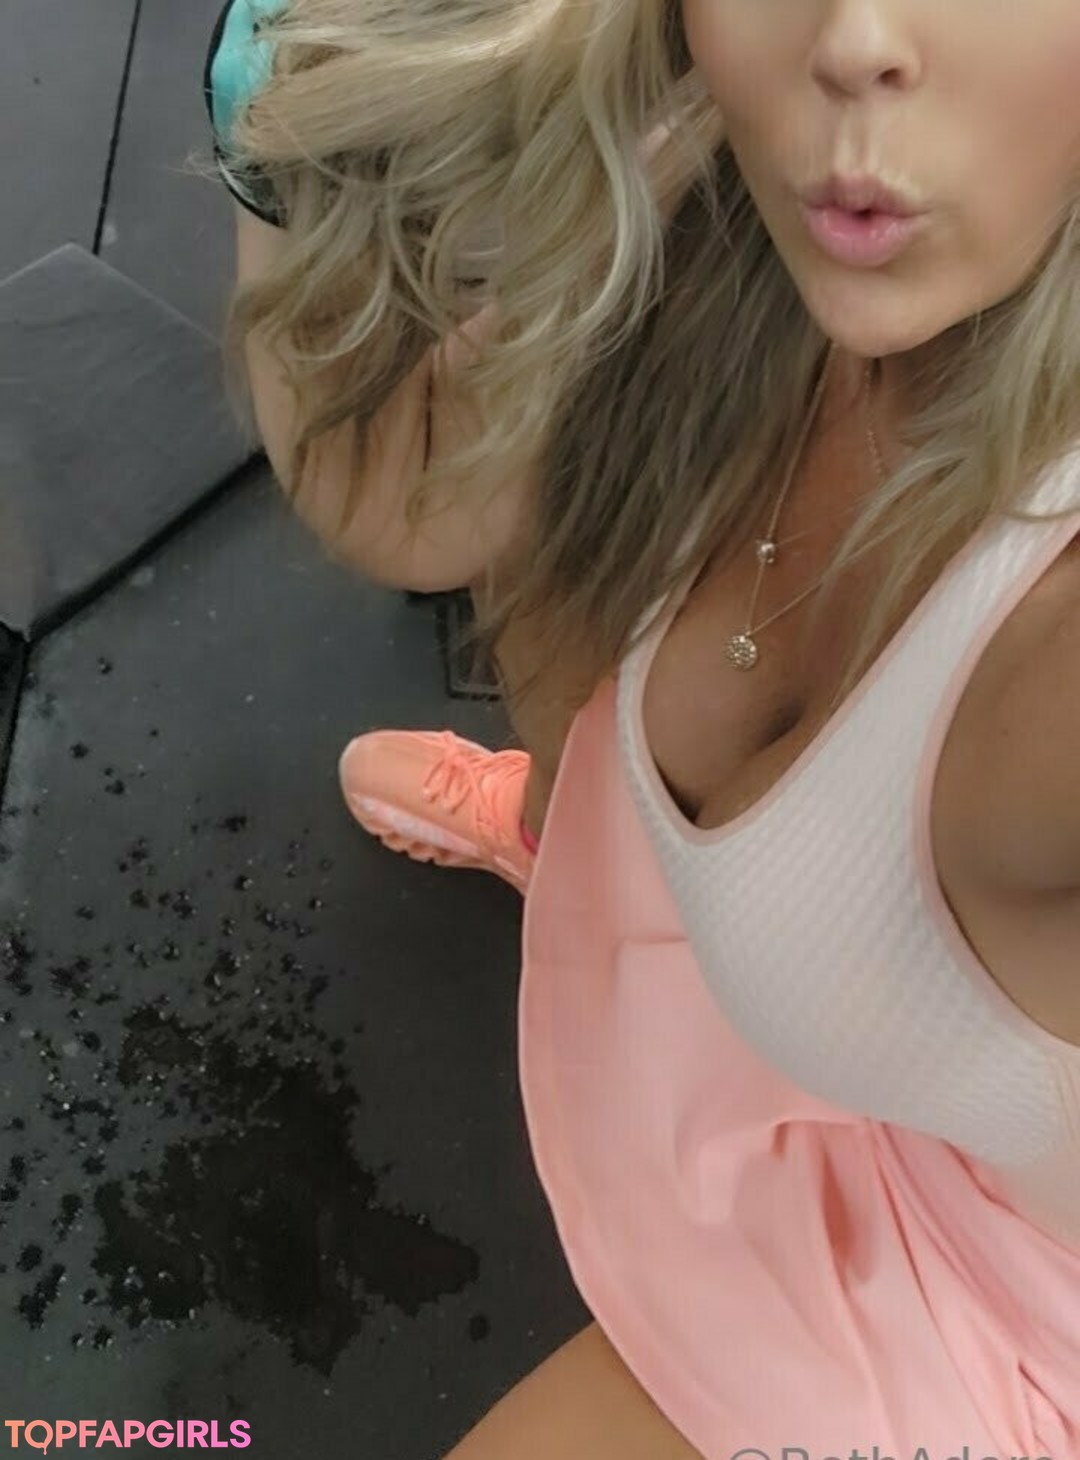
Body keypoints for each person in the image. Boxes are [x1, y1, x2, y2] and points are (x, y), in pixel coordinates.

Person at [203, 1, 1080, 1454]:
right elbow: (408, 501)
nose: (856, 37)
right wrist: (269, 104)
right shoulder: (736, 187)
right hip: (802, 1017)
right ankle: (564, 835)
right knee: (590, 591)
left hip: (1003, 1305)